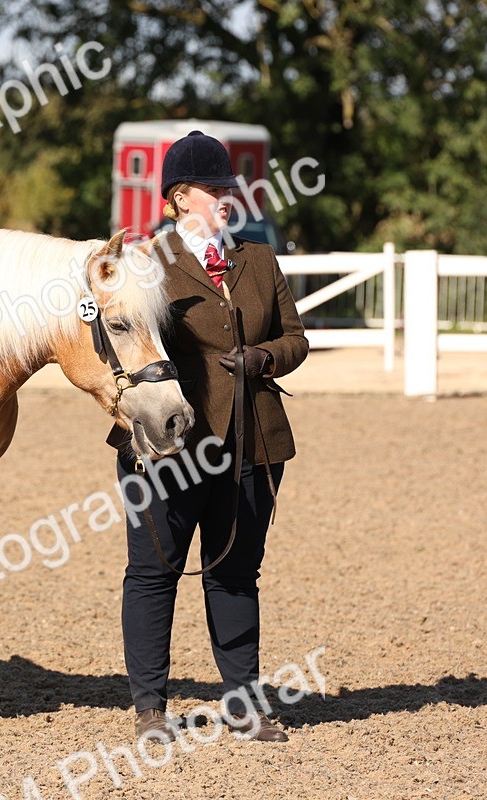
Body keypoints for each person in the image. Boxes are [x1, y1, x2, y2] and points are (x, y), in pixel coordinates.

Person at [116, 131, 308, 742]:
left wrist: (264, 358)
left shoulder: (259, 260)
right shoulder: (145, 264)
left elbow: (296, 339)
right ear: (179, 198)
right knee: (155, 574)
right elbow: (121, 345)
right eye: (215, 188)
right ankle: (150, 708)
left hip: (252, 441)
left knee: (236, 573)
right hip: (171, 444)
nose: (229, 196)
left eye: (231, 187)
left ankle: (244, 705)